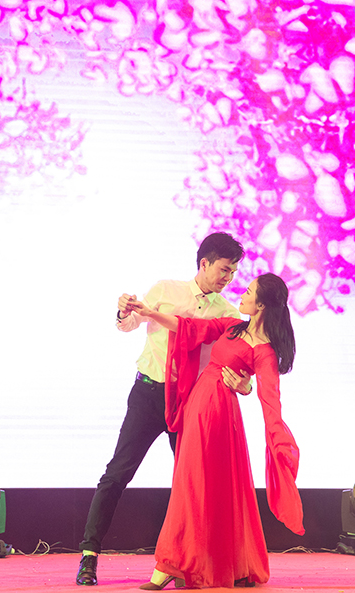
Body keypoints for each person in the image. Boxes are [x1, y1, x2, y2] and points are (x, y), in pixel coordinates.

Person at [76, 233, 250, 587]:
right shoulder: (166, 290)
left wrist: (244, 383)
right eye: (224, 269)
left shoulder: (227, 313)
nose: (228, 278)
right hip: (148, 394)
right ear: (204, 263)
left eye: (233, 272)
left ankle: (191, 563)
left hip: (189, 403)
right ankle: (89, 555)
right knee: (117, 474)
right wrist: (124, 310)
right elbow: (129, 324)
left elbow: (238, 360)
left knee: (194, 486)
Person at [131, 273, 304, 590]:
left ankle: (173, 564)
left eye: (249, 291)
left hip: (219, 415)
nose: (242, 294)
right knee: (194, 484)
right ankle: (194, 563)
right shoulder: (232, 326)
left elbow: (271, 401)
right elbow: (188, 328)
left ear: (261, 305)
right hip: (197, 406)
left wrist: (278, 440)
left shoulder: (264, 352)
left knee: (199, 486)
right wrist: (149, 312)